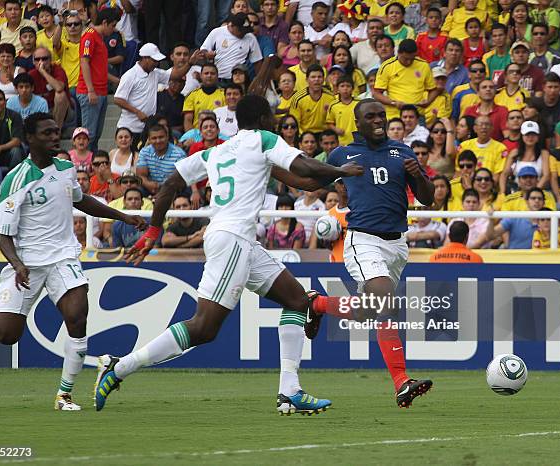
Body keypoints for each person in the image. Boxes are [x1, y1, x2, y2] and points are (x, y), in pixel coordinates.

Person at [94, 94, 362, 414]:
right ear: (263, 120)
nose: (276, 121)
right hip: (232, 239)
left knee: (297, 301)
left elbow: (167, 187)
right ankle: (118, 367)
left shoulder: (216, 151)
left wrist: (153, 232)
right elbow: (303, 166)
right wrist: (341, 168)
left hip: (240, 240)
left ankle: (290, 390)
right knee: (204, 327)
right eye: (272, 117)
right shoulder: (263, 140)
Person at [0, 112, 145, 411]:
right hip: (27, 262)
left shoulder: (65, 169)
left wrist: (122, 215)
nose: (53, 138)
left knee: (77, 317)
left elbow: (81, 199)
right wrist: (18, 265)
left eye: (56, 132)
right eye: (46, 133)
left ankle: (64, 395)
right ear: (30, 138)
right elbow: (3, 235)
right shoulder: (16, 179)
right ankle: (0, 289)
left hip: (63, 256)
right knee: (6, 336)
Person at [308, 99, 435, 408]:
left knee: (370, 310)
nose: (379, 120)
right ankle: (402, 382)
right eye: (371, 116)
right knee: (384, 301)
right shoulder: (342, 154)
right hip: (363, 239)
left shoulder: (401, 151)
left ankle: (318, 303)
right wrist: (337, 176)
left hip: (397, 244)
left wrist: (418, 174)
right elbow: (311, 178)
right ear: (358, 123)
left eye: (382, 115)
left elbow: (427, 198)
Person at [76, 8, 121, 152]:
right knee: (89, 136)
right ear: (105, 22)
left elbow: (99, 69)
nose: (114, 29)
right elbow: (84, 62)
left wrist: (117, 80)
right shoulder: (89, 37)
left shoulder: (97, 37)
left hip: (100, 91)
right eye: (113, 25)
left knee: (96, 135)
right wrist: (90, 90)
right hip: (91, 92)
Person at [114, 43, 172, 145]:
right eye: (154, 60)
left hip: (147, 128)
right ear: (145, 58)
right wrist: (137, 112)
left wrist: (189, 64)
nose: (156, 63)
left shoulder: (156, 73)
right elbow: (118, 99)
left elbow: (174, 75)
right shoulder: (130, 75)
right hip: (130, 128)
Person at [373, 39, 439, 120]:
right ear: (399, 53)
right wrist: (393, 102)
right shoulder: (387, 66)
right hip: (395, 116)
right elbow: (376, 93)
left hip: (417, 115)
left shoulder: (424, 65)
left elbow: (433, 89)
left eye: (412, 59)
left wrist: (428, 101)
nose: (408, 62)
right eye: (405, 59)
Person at [200, 12, 263, 81]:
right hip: (219, 77)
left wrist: (259, 79)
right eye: (240, 30)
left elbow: (257, 61)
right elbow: (203, 50)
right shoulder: (217, 32)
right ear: (231, 25)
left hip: (238, 79)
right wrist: (207, 54)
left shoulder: (250, 37)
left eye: (245, 31)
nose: (243, 33)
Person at [500, 121, 550, 195]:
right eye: (527, 134)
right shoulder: (514, 153)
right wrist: (502, 193)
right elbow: (504, 174)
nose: (530, 137)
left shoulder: (544, 153)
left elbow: (546, 176)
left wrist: (533, 193)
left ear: (538, 137)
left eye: (533, 135)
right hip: (516, 191)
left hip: (537, 193)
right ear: (522, 136)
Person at [456, 115, 508, 184]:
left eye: (487, 124)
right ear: (474, 128)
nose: (484, 127)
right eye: (481, 124)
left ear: (492, 128)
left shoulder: (501, 148)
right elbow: (458, 171)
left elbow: (497, 176)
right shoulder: (464, 146)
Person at [136, 124, 186, 196]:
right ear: (149, 140)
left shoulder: (179, 154)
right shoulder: (145, 151)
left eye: (161, 137)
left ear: (167, 137)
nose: (158, 141)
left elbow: (181, 179)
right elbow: (140, 175)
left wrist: (163, 192)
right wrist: (148, 184)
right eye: (154, 138)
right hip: (150, 188)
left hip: (173, 189)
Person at [29, 46, 72, 130]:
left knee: (61, 95)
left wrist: (43, 72)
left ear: (50, 60)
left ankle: (56, 131)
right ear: (33, 62)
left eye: (44, 58)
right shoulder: (31, 74)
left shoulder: (58, 70)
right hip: (40, 109)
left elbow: (59, 88)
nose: (41, 62)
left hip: (60, 109)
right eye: (37, 59)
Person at [289, 63, 335, 134]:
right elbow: (294, 123)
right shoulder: (298, 98)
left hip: (325, 135)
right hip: (305, 136)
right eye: (313, 77)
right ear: (307, 80)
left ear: (323, 79)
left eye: (319, 77)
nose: (316, 79)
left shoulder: (331, 97)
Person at [0, 88, 24, 172]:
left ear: (5, 101)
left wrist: (0, 148)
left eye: (0, 99)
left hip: (8, 153)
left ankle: (14, 178)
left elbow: (17, 141)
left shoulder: (14, 116)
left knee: (16, 151)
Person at [183, 63, 226, 131]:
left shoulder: (225, 94)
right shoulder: (192, 95)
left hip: (219, 134)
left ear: (217, 76)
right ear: (201, 76)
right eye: (206, 73)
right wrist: (192, 136)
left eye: (212, 73)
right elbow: (188, 120)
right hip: (197, 135)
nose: (209, 76)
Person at [325, 76, 357, 146]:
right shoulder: (333, 105)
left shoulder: (359, 103)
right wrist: (336, 129)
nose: (345, 89)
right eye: (342, 86)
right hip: (342, 141)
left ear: (353, 88)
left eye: (348, 86)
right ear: (338, 89)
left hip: (358, 140)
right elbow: (329, 123)